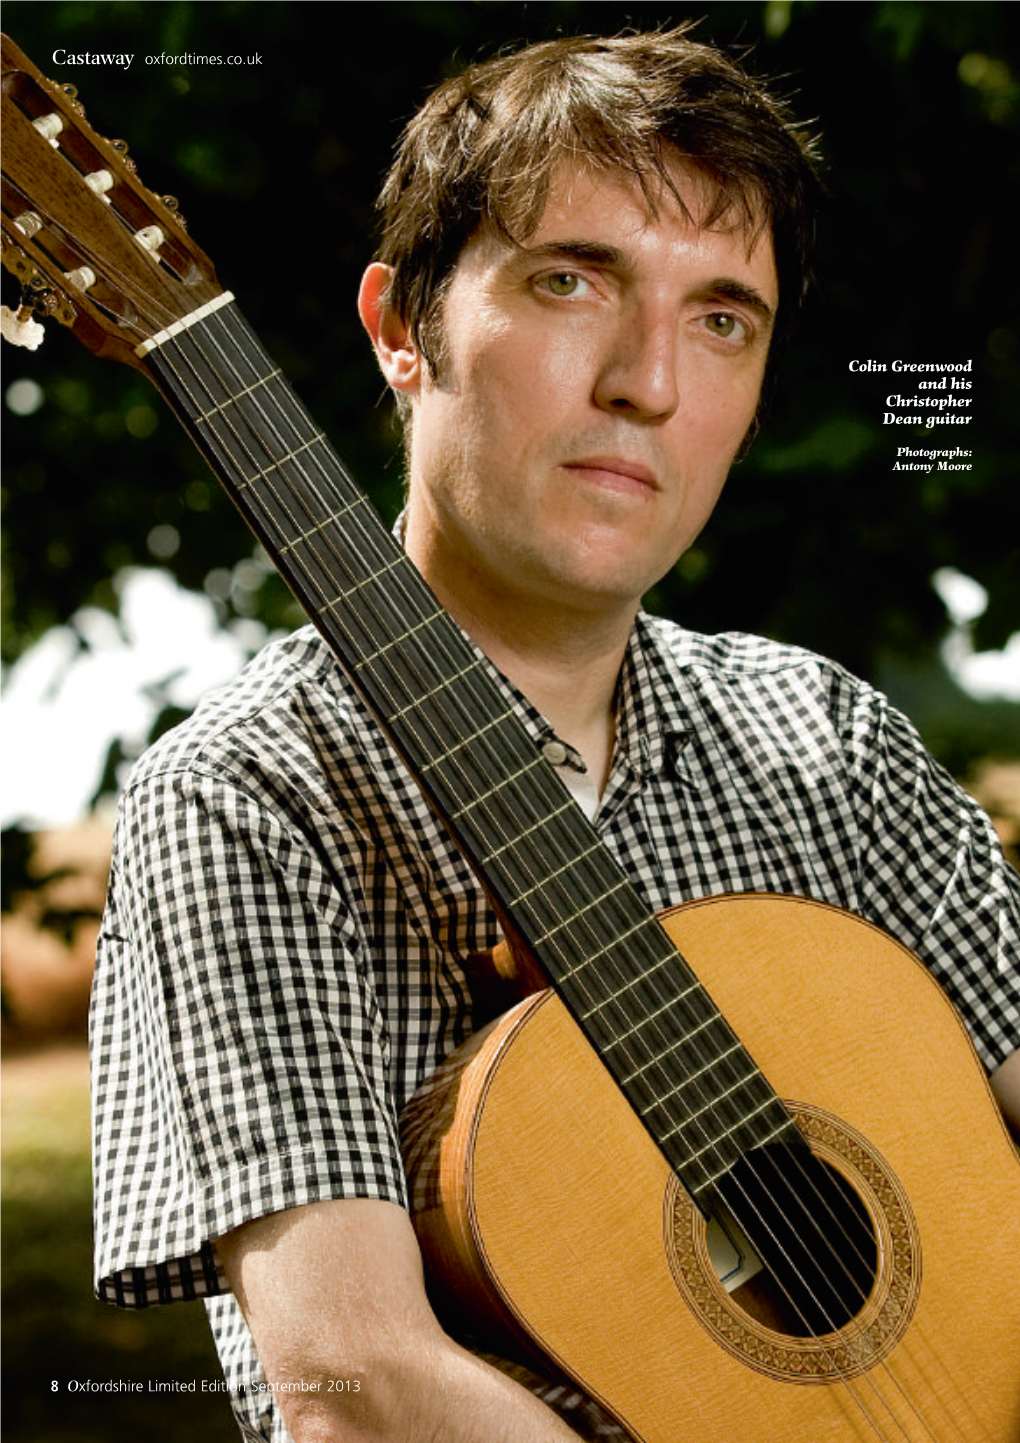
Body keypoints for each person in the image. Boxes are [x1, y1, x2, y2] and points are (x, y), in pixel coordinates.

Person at [91, 25, 1020, 1443]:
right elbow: (361, 1390)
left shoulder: (831, 742)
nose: (648, 381)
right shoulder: (245, 794)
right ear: (404, 329)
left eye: (722, 318)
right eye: (572, 280)